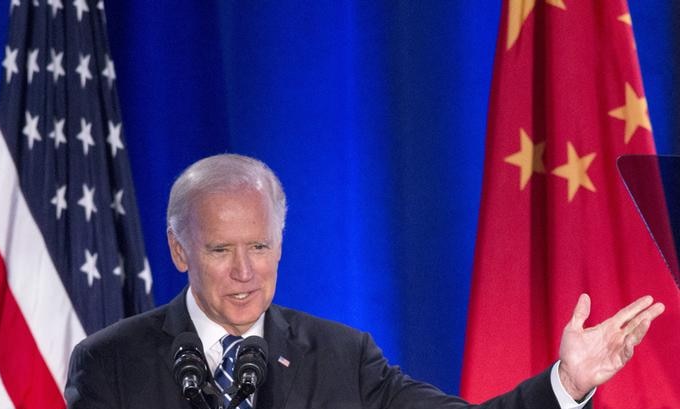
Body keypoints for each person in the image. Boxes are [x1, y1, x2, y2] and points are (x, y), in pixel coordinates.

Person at [65, 153, 665, 409]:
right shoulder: (111, 363)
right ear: (178, 249)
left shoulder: (342, 358)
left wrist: (567, 383)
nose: (245, 272)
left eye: (261, 246)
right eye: (221, 250)